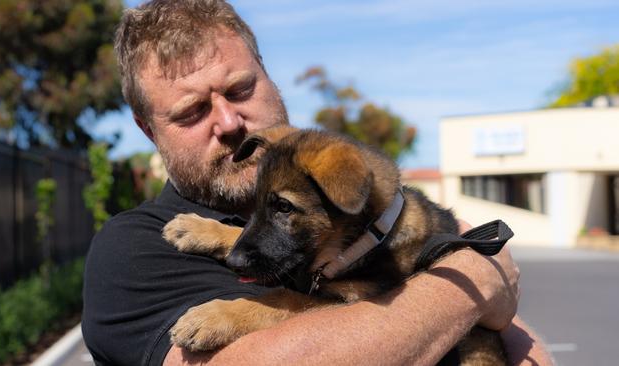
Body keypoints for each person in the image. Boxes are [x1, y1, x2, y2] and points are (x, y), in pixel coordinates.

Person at [82, 1, 554, 365]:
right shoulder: (133, 251)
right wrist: (469, 283)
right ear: (148, 129)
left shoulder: (357, 204)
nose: (228, 122)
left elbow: (519, 348)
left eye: (241, 89)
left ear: (270, 76)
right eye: (192, 111)